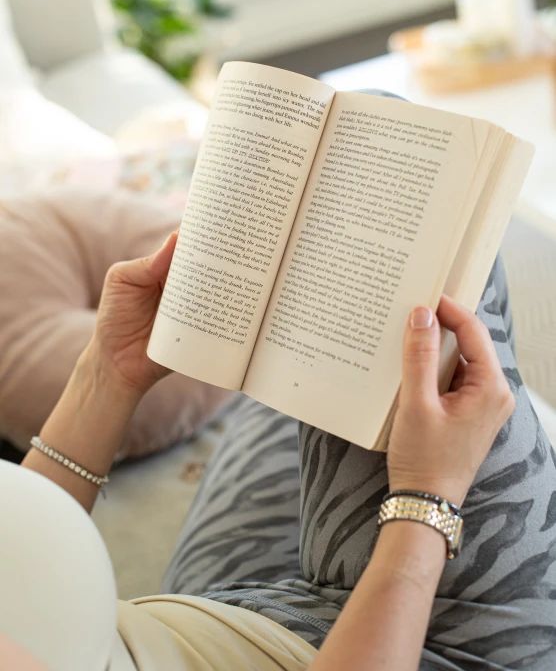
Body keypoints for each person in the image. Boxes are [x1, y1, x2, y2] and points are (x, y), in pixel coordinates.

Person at [1, 233, 555, 670]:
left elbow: (21, 577)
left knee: (302, 365)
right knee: (426, 266)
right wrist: (428, 492)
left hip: (202, 620)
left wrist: (109, 371)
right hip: (434, 653)